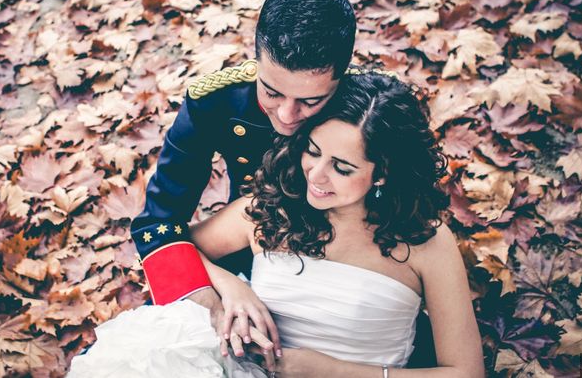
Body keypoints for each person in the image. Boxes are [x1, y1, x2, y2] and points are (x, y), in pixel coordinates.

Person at [70, 72, 483, 377]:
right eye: (314, 152)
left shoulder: (425, 241)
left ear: (384, 173)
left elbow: (465, 373)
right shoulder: (273, 206)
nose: (316, 176)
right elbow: (182, 246)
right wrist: (231, 288)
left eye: (341, 167)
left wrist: (333, 371)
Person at [129, 0, 356, 322]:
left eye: (311, 101)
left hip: (352, 273)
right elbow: (158, 223)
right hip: (246, 256)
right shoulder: (216, 102)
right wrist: (219, 292)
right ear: (257, 60)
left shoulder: (369, 111)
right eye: (272, 92)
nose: (286, 115)